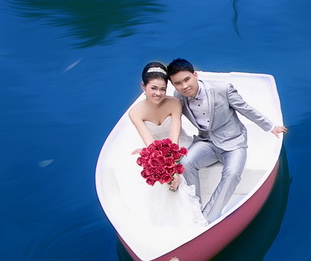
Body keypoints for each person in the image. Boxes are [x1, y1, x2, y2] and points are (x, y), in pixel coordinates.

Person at [166, 57, 287, 222]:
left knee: (232, 174)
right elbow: (171, 119)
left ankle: (208, 216)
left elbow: (245, 108)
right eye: (178, 83)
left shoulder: (222, 89)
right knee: (186, 163)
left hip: (234, 142)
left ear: (195, 75)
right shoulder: (177, 97)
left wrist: (271, 126)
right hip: (206, 142)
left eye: (187, 79)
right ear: (173, 85)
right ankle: (194, 208)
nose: (184, 86)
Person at [119, 62, 207, 229]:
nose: (158, 93)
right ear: (143, 86)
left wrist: (173, 167)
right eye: (153, 88)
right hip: (156, 151)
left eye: (162, 89)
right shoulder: (135, 113)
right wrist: (165, 170)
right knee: (149, 177)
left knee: (185, 169)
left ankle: (195, 215)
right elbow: (150, 143)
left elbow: (174, 139)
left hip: (180, 146)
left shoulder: (174, 103)